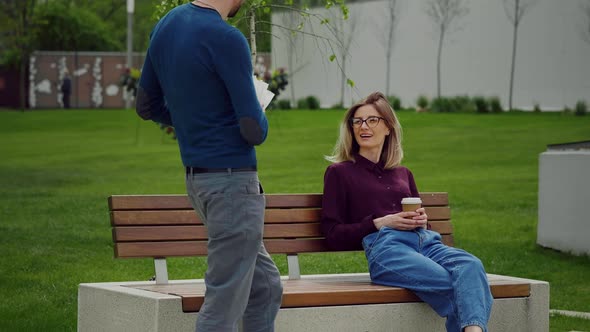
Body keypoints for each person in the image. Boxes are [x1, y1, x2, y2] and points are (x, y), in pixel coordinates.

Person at [135, 1, 283, 331]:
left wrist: (195, 121)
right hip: (232, 185)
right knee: (223, 305)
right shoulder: (227, 38)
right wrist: (259, 110)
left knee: (265, 288)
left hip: (199, 182)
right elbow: (253, 129)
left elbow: (146, 105)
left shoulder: (167, 25)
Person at [321, 92, 493, 332]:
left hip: (427, 243)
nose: (363, 126)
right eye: (357, 121)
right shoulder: (339, 173)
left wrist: (422, 221)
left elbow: (423, 224)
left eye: (372, 120)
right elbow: (332, 234)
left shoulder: (403, 173)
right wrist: (380, 223)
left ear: (388, 127)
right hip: (387, 248)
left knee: (472, 266)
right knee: (458, 286)